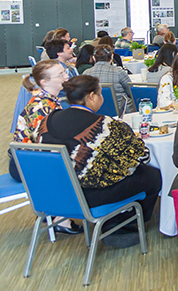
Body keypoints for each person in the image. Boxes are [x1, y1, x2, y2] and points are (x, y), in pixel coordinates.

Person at [42, 75, 161, 248]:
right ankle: (119, 223)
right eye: (99, 94)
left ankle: (118, 220)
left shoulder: (48, 120)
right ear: (91, 96)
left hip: (55, 192)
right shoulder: (104, 124)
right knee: (151, 175)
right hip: (89, 194)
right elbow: (142, 156)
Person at [8, 60, 68, 181]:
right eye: (61, 75)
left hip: (32, 158)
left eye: (65, 72)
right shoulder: (41, 108)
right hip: (27, 164)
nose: (66, 77)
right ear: (44, 82)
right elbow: (44, 146)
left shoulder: (48, 100)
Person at [83, 46, 135, 114]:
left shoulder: (86, 73)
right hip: (121, 112)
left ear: (93, 57)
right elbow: (130, 91)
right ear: (112, 57)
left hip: (94, 111)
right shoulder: (118, 72)